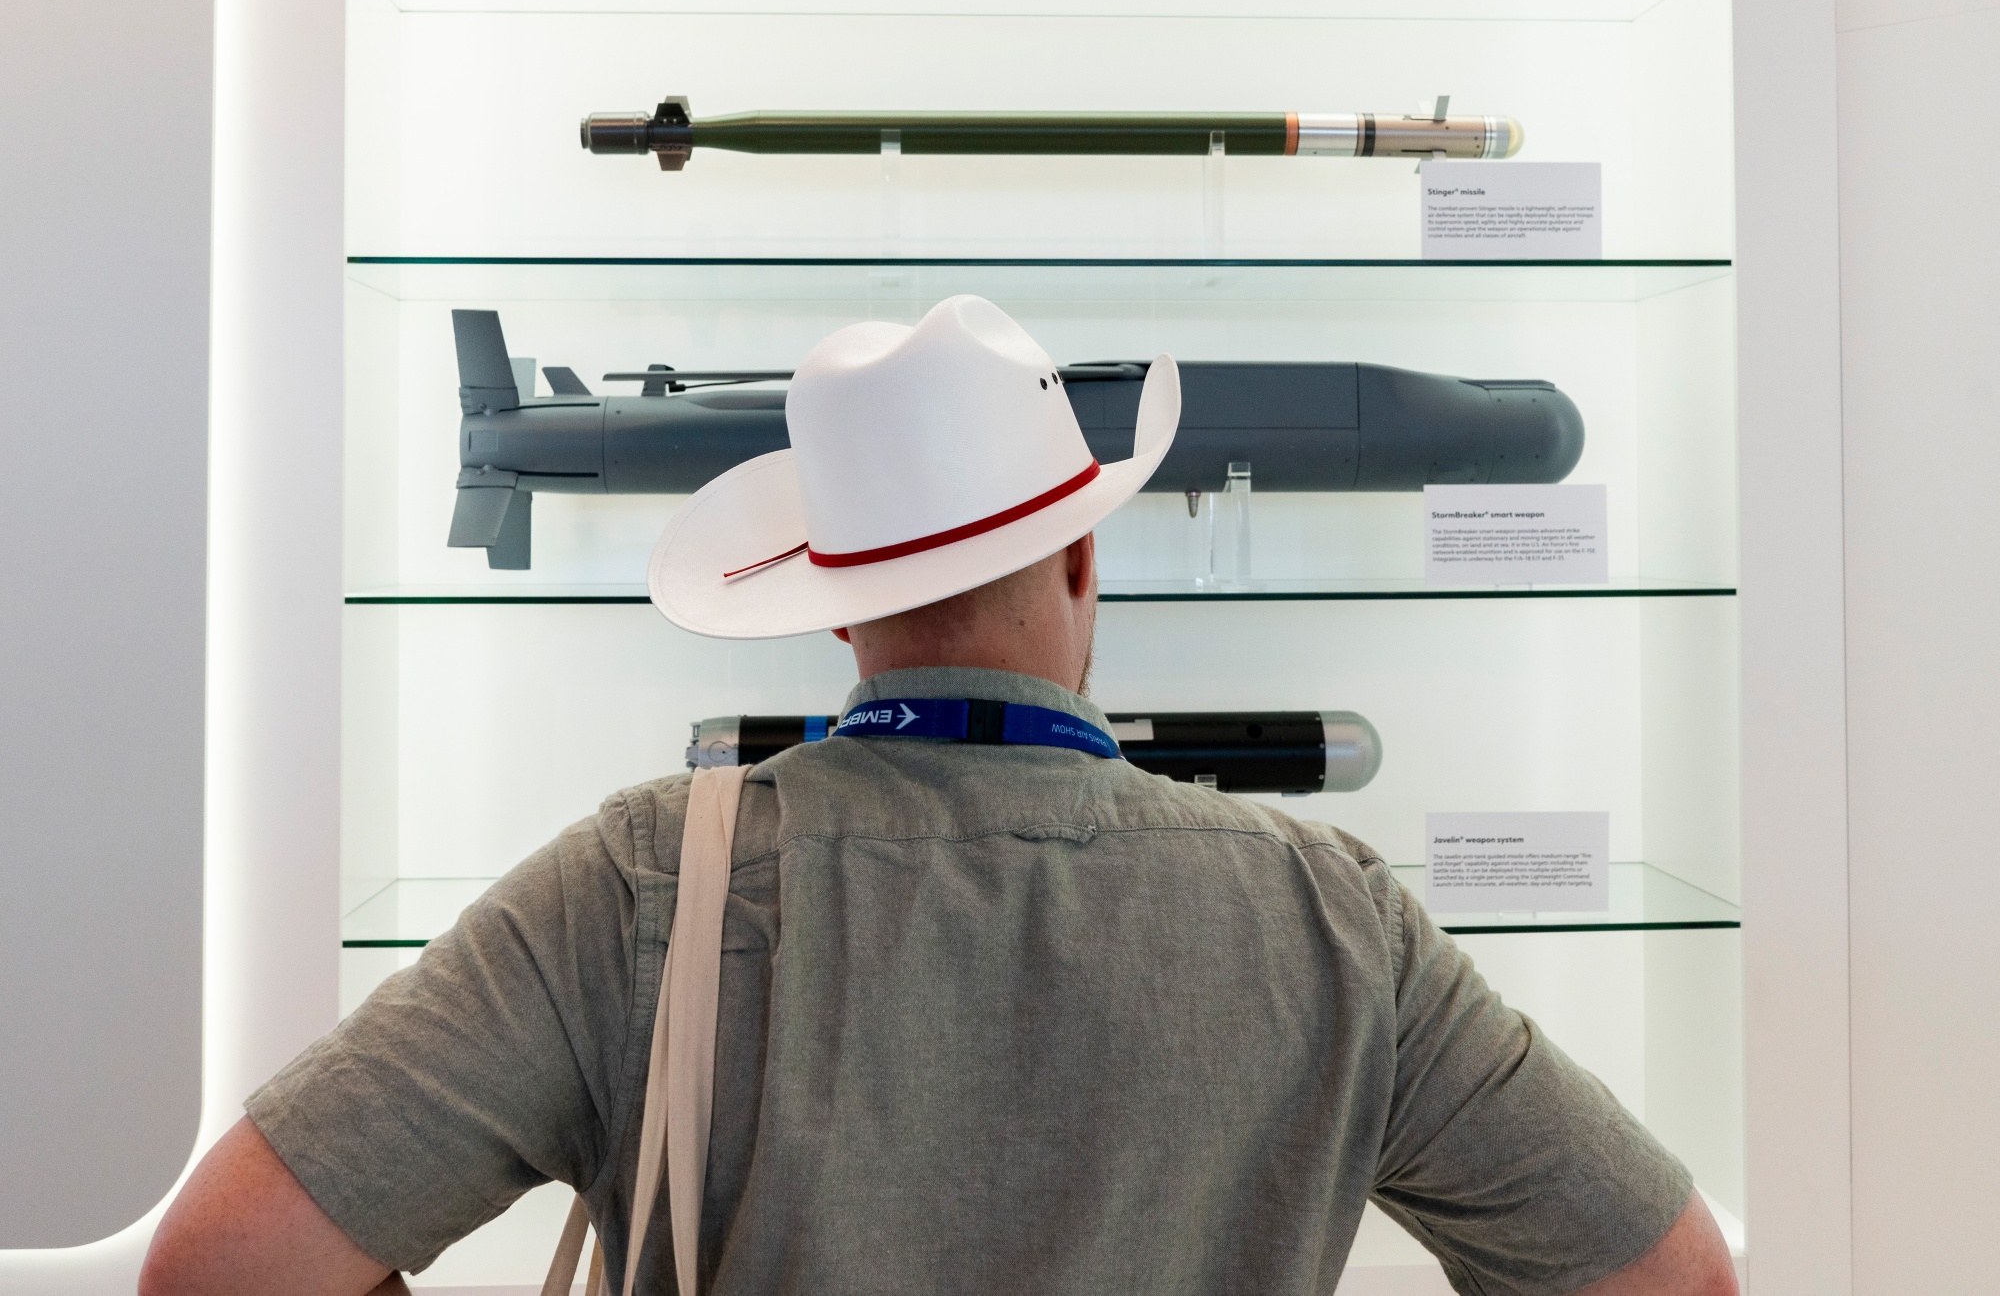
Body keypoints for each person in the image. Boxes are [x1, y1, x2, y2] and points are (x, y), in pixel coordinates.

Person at [142, 297, 1736, 1296]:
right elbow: (1670, 1278)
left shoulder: (643, 882)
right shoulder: (1333, 917)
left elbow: (218, 1271)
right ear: (1086, 553)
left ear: (834, 602)